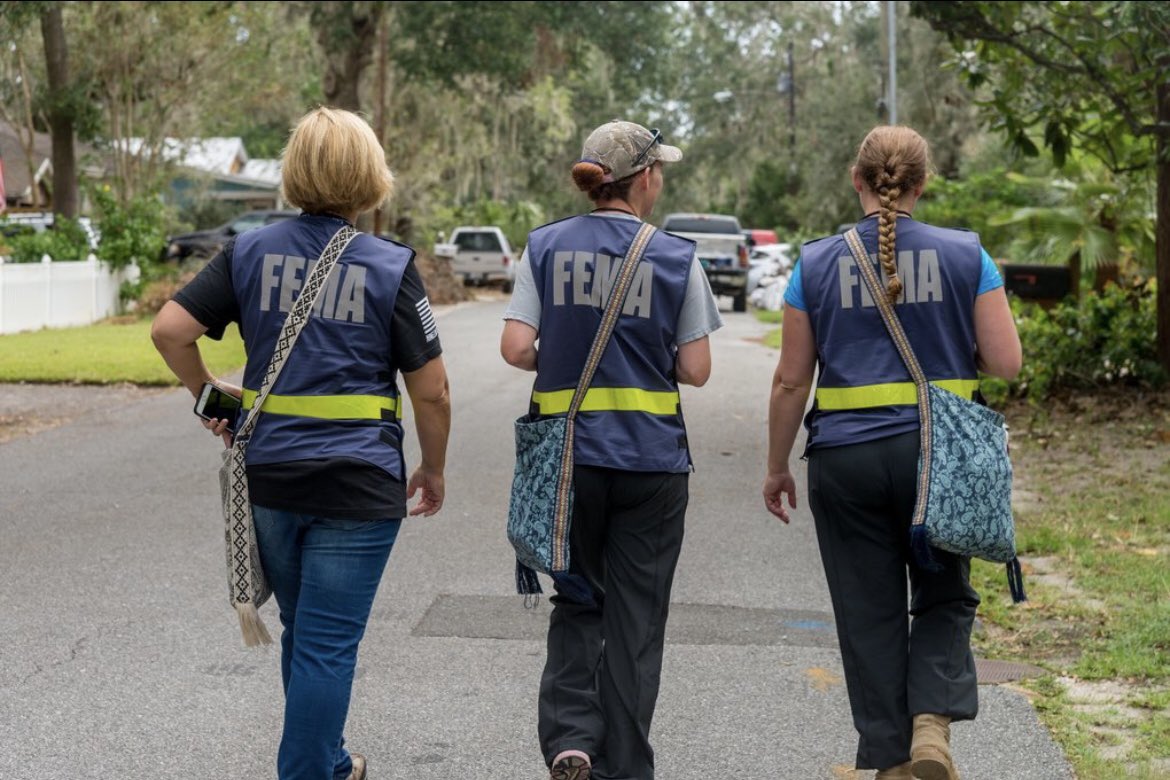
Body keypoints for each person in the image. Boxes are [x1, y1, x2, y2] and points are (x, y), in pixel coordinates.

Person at [151, 106, 451, 780]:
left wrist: (209, 396)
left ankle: (331, 762)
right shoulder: (389, 264)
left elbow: (170, 331)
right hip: (359, 481)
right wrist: (432, 467)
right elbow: (432, 391)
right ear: (369, 176)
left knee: (307, 634)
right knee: (326, 645)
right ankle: (310, 772)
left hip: (273, 477)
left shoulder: (249, 251)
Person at [762, 125, 1022, 780]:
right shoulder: (968, 256)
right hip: (939, 459)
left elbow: (792, 380)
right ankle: (931, 725)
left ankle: (891, 760)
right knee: (943, 592)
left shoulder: (815, 264)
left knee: (867, 613)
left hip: (844, 462)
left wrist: (775, 465)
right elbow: (1006, 362)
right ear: (922, 185)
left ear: (857, 180)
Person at [500, 119, 723, 780]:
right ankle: (623, 767)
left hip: (567, 463)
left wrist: (564, 355)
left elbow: (515, 348)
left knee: (578, 599)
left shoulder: (544, 246)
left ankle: (571, 739)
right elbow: (698, 368)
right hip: (652, 465)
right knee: (635, 623)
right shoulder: (675, 255)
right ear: (644, 178)